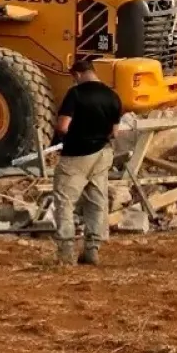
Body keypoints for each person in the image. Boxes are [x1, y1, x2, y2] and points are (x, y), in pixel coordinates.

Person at [51, 59, 123, 266]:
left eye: (74, 77)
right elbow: (115, 132)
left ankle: (66, 251)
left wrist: (67, 137)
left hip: (76, 155)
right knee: (96, 200)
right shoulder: (112, 96)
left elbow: (63, 126)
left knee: (64, 201)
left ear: (79, 74)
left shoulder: (76, 94)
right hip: (102, 154)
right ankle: (92, 249)